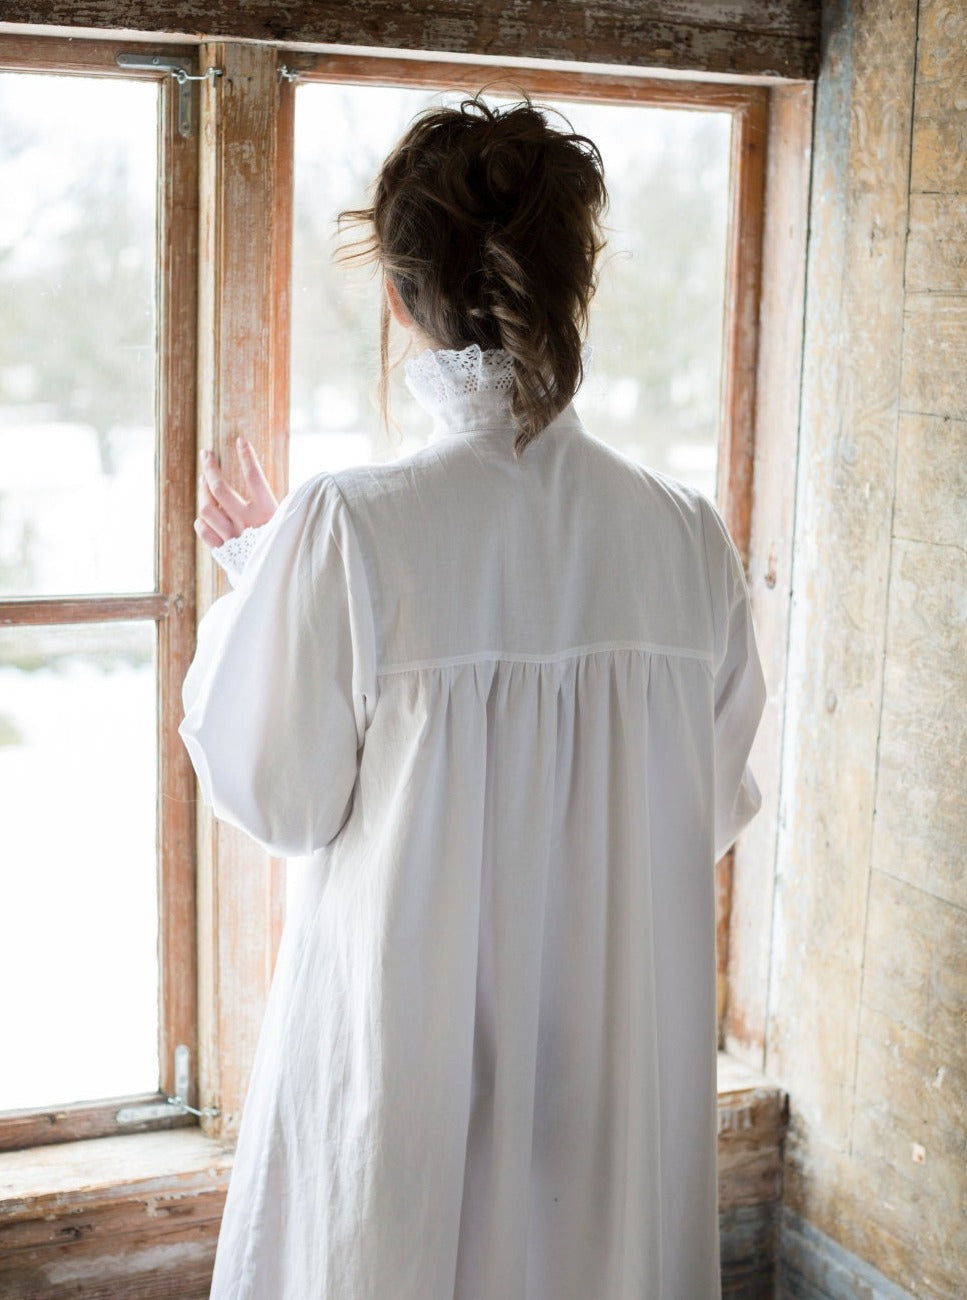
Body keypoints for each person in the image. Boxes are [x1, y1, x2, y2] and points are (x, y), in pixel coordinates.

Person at [181, 95, 765, 1300]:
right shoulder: (686, 537)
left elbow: (280, 795)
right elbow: (695, 815)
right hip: (605, 1089)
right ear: (574, 287)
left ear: (400, 303)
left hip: (402, 1081)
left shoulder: (350, 527)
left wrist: (268, 582)